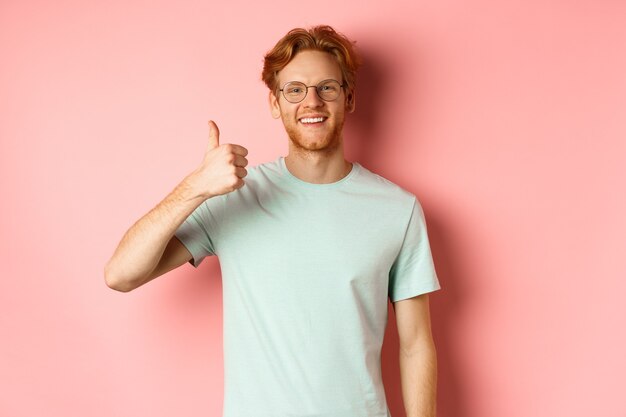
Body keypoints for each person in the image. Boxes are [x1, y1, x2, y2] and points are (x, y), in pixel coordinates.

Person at [105, 25, 441, 417]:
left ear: (348, 98)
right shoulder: (235, 195)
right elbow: (121, 275)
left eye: (326, 88)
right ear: (275, 103)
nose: (311, 101)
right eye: (295, 90)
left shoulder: (397, 210)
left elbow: (416, 344)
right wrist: (195, 187)